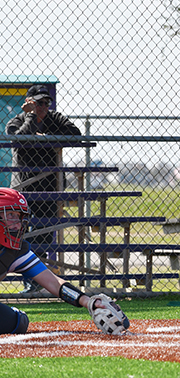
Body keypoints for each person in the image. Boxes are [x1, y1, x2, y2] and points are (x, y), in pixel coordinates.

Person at [0, 188, 128, 335]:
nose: (17, 224)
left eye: (19, 216)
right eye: (10, 215)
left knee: (18, 323)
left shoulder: (15, 251)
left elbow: (53, 283)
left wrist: (88, 302)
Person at [5, 84, 81, 293]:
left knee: (45, 234)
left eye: (46, 103)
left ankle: (36, 279)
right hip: (24, 187)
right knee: (20, 233)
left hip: (50, 186)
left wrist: (45, 137)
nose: (44, 107)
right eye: (39, 103)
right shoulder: (18, 120)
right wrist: (30, 119)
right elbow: (18, 139)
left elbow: (75, 133)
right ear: (28, 103)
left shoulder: (55, 118)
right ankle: (31, 278)